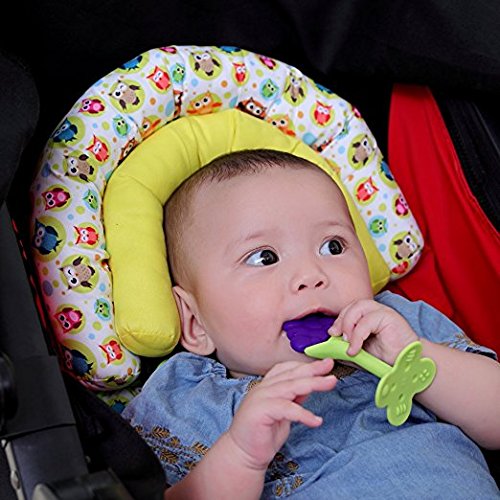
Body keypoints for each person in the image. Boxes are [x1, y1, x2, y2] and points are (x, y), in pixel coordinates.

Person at [122, 149, 500, 499]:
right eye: (264, 257)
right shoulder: (189, 397)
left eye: (333, 246)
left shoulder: (397, 324)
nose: (311, 274)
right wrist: (240, 455)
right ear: (196, 323)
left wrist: (413, 359)